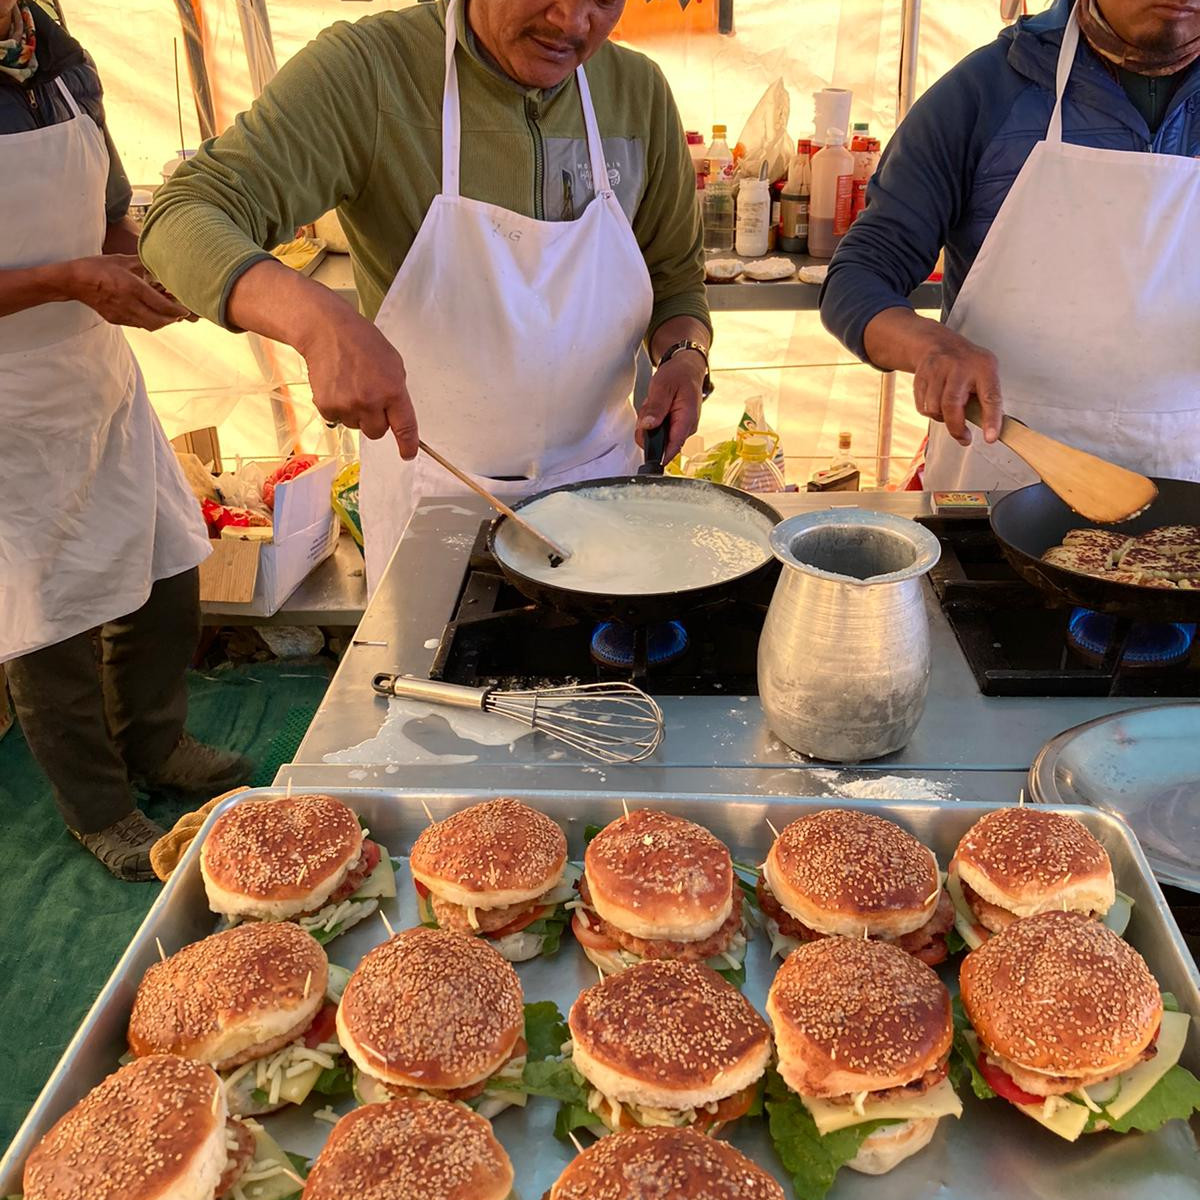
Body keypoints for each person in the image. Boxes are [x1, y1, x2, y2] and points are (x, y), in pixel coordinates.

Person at [140, 0, 712, 589]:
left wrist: (684, 355)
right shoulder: (370, 73)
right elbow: (183, 213)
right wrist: (317, 322)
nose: (571, 21)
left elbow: (675, 279)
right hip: (433, 492)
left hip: (601, 491)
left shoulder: (637, 93)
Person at [0, 0, 252, 881]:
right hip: (7, 396)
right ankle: (100, 808)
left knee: (167, 564)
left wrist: (147, 266)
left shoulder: (53, 52)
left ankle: (154, 740)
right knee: (47, 617)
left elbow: (107, 213)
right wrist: (72, 279)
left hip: (93, 369)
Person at [820, 0, 1200, 490]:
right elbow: (858, 276)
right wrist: (930, 346)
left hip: (1186, 473)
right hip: (1001, 476)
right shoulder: (986, 92)